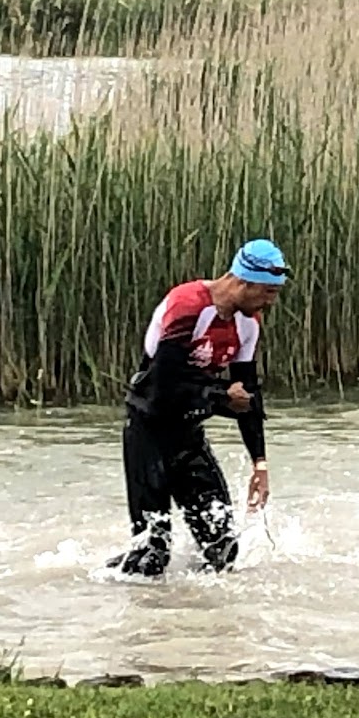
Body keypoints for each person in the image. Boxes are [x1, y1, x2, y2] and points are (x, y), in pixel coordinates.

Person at [109, 239, 286, 578]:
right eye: (267, 292)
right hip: (148, 430)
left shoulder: (248, 323)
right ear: (242, 282)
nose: (270, 301)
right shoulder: (189, 305)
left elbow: (248, 395)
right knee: (151, 556)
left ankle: (202, 623)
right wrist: (221, 397)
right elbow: (163, 383)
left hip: (188, 434)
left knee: (222, 549)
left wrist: (259, 463)